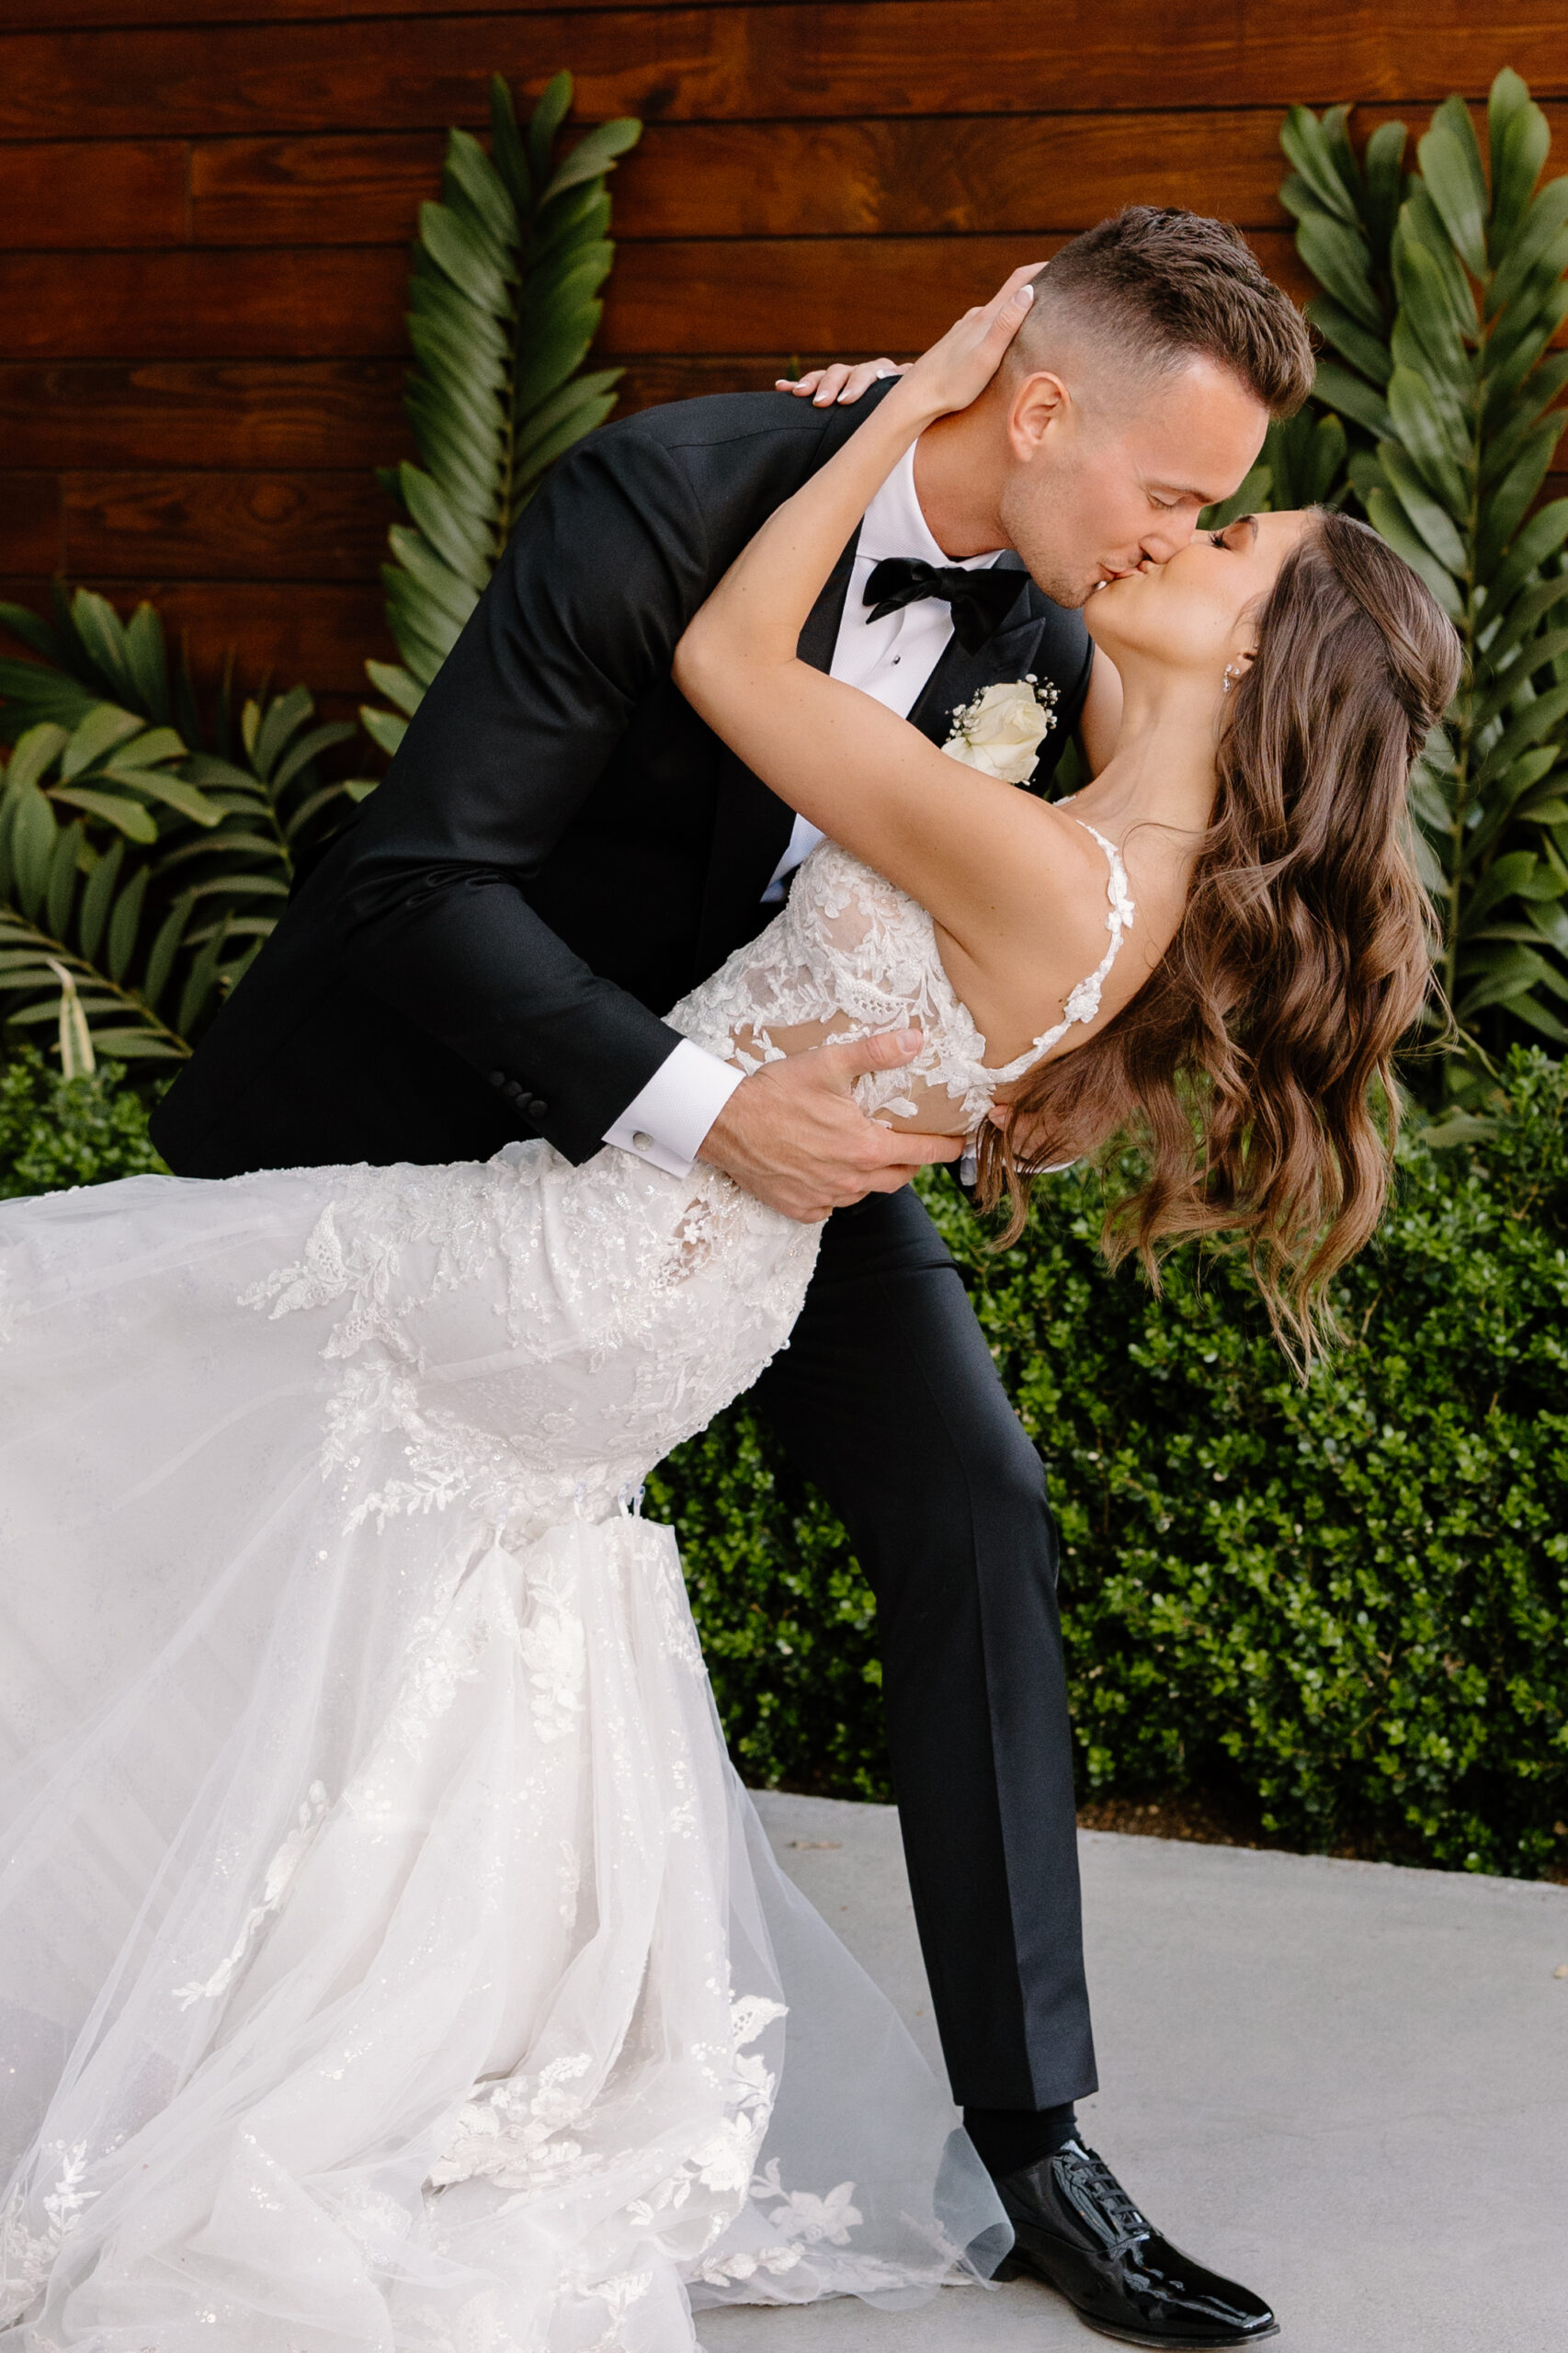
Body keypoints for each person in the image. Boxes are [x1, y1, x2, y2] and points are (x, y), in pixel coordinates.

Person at [0, 230, 1456, 2351]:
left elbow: (1035, 891)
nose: (1179, 537)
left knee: (974, 1500)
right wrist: (708, 1106)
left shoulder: (1074, 611)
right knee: (242, 1533)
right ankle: (190, 1978)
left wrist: (909, 1083)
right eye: (1177, 489)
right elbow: (424, 883)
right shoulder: (667, 499)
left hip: (754, 1179)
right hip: (499, 1098)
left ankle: (1032, 2128)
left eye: (1214, 521)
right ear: (1040, 406)